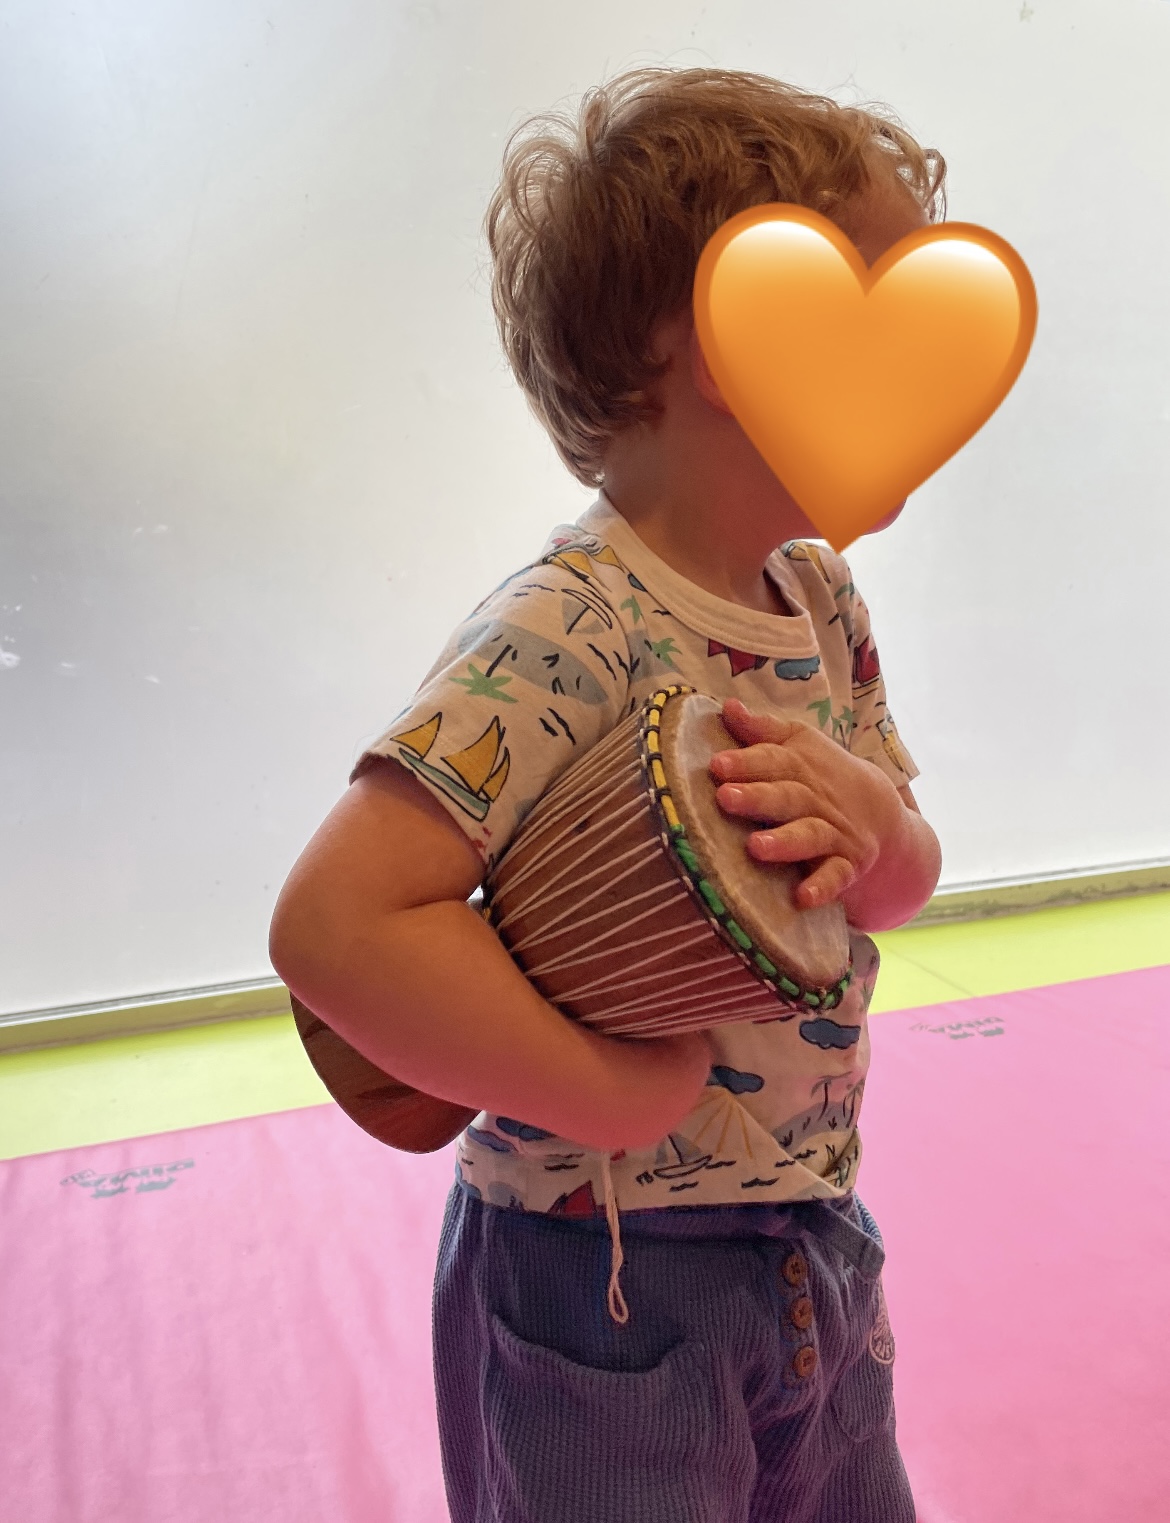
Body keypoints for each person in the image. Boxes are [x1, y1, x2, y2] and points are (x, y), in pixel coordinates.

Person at [270, 67, 945, 1523]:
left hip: (816, 1239)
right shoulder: (569, 627)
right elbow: (336, 926)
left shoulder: (821, 602)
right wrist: (612, 1093)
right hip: (598, 1281)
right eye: (883, 330)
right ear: (728, 347)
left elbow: (894, 890)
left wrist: (878, 827)